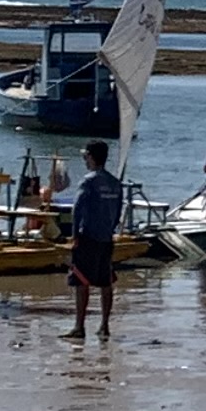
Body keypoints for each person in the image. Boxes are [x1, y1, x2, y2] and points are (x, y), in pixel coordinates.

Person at [67, 138, 126, 338]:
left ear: (90, 157)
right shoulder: (115, 183)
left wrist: (74, 235)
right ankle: (104, 325)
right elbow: (118, 211)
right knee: (105, 281)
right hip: (106, 238)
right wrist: (110, 229)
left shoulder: (89, 180)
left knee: (81, 281)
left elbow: (77, 210)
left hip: (88, 237)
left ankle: (79, 326)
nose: (84, 159)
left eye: (85, 156)